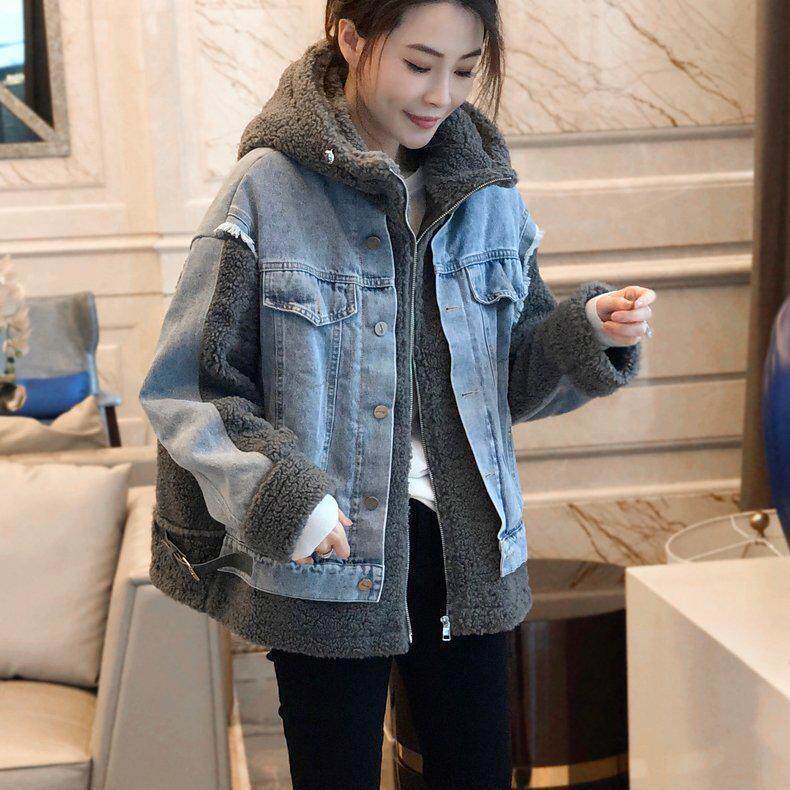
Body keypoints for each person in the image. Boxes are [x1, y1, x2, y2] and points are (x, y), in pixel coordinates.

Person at [138, 2, 655, 787]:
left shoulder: (488, 197)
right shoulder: (266, 191)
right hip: (328, 555)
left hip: (467, 554)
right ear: (350, 37)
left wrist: (589, 332)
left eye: (465, 69)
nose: (441, 94)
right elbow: (190, 388)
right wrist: (283, 495)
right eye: (419, 64)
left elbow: (507, 380)